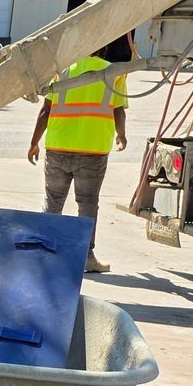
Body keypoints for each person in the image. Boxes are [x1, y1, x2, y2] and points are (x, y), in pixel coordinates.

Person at [28, 52, 127, 273]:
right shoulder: (113, 73)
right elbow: (118, 111)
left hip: (58, 146)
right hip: (92, 149)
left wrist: (34, 142)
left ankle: (45, 254)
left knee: (53, 202)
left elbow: (45, 111)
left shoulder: (61, 70)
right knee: (88, 203)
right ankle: (86, 258)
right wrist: (122, 134)